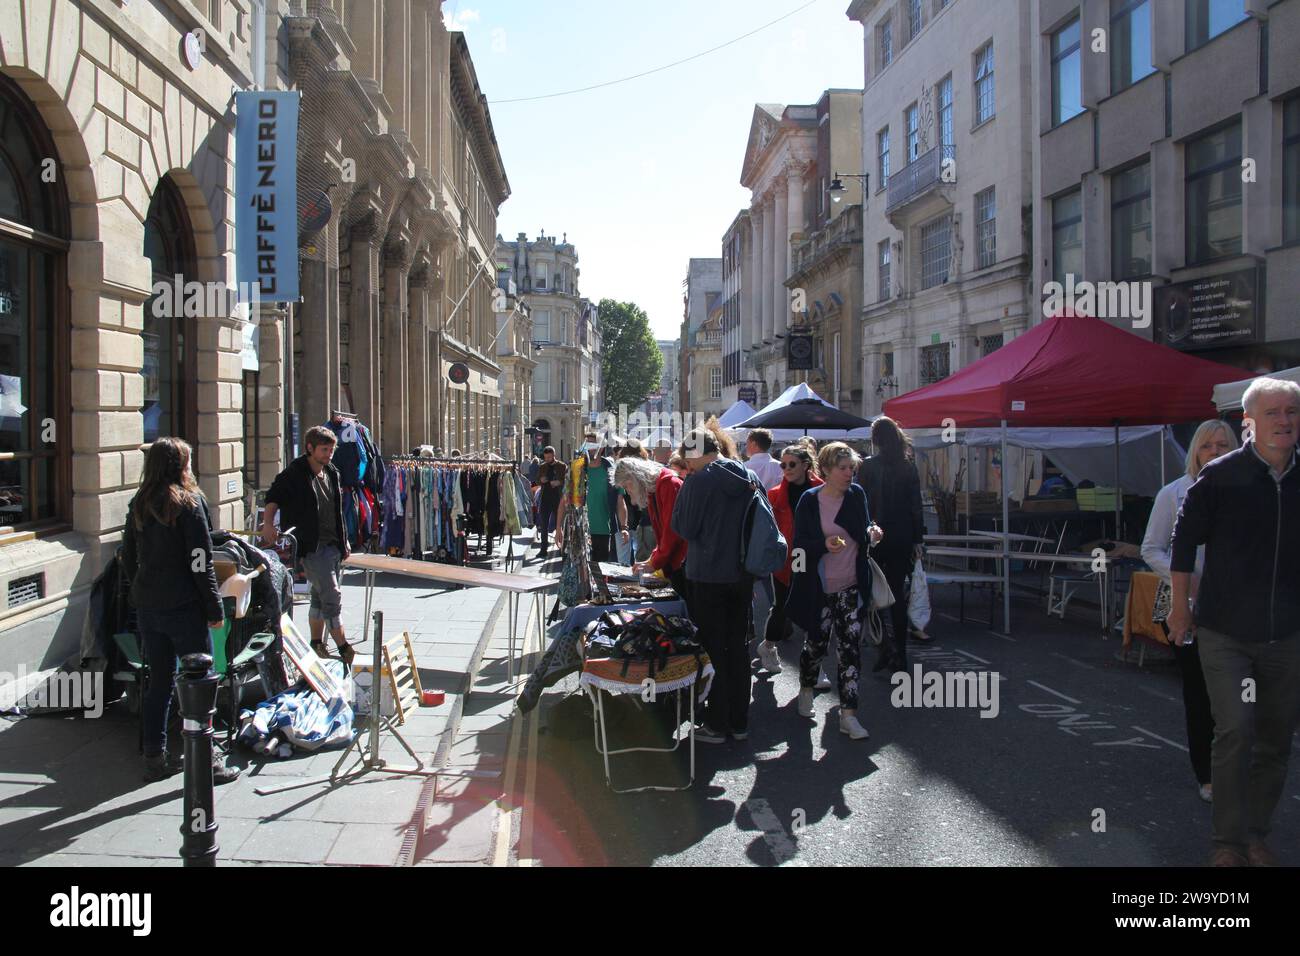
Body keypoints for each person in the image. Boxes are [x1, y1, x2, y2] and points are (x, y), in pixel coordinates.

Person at [1168, 378, 1300, 867]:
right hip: (1224, 631)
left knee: (1275, 737)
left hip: (1286, 634)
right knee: (1236, 729)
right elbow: (1182, 541)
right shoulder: (1221, 475)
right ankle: (1226, 843)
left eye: (1291, 411)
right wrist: (1180, 606)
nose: (1284, 421)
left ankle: (1256, 835)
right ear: (1249, 422)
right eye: (1273, 413)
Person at [121, 437, 241, 784]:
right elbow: (200, 561)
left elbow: (127, 556)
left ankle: (154, 756)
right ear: (179, 465)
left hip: (149, 606)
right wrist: (214, 605)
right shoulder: (190, 503)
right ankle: (208, 760)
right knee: (200, 682)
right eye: (188, 461)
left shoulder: (139, 504)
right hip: (184, 607)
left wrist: (140, 587)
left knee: (157, 681)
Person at [1141, 419, 1237, 804]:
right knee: (1200, 694)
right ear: (1194, 451)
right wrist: (1186, 581)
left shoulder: (1249, 493)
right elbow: (1151, 548)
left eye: (1223, 446)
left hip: (1237, 608)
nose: (1215, 453)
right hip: (1186, 605)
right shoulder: (1174, 493)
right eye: (1207, 446)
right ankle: (1208, 774)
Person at [784, 442, 883, 740]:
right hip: (819, 585)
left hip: (851, 585)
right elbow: (798, 546)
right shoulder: (809, 501)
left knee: (850, 649)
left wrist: (872, 534)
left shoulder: (856, 495)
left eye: (851, 468)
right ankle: (806, 687)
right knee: (816, 643)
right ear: (826, 470)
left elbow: (863, 530)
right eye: (842, 468)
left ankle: (848, 714)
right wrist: (821, 546)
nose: (849, 473)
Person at [670, 422, 756, 743]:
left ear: (694, 455)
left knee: (713, 648)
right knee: (738, 647)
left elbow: (685, 528)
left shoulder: (698, 482)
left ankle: (717, 723)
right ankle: (740, 720)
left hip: (707, 575)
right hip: (742, 574)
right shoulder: (748, 475)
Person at [262, 426, 353, 664]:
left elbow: (336, 511)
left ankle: (316, 644)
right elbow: (273, 498)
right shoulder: (295, 473)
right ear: (310, 448)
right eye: (324, 450)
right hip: (312, 546)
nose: (328, 455)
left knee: (318, 596)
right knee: (332, 596)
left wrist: (344, 541)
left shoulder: (332, 471)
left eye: (331, 450)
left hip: (333, 545)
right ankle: (344, 648)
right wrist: (268, 524)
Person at [856, 416, 924, 675]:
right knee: (896, 595)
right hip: (901, 537)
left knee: (873, 594)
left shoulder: (867, 466)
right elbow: (916, 508)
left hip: (874, 536)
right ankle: (901, 654)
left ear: (875, 440)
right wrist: (918, 540)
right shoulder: (909, 467)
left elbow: (860, 503)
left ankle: (884, 647)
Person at [754, 444, 823, 674]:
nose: (786, 469)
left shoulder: (821, 490)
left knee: (812, 607)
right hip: (787, 557)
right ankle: (769, 645)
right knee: (782, 607)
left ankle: (814, 663)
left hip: (814, 555)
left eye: (792, 464)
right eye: (783, 464)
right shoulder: (774, 494)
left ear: (805, 465)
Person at [616, 456, 688, 595]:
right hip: (676, 565)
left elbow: (671, 534)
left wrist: (653, 565)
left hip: (682, 566)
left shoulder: (668, 485)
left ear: (634, 479)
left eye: (626, 487)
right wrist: (650, 562)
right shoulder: (653, 490)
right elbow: (662, 539)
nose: (627, 492)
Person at [556, 433, 628, 562]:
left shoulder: (611, 470)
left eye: (592, 445)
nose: (588, 448)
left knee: (600, 573)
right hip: (578, 532)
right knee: (579, 575)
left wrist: (624, 528)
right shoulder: (575, 469)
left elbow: (620, 502)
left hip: (604, 531)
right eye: (586, 444)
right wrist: (558, 528)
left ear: (601, 448)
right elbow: (564, 499)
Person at [534, 446, 566, 559]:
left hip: (558, 499)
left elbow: (567, 481)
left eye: (549, 457)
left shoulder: (562, 466)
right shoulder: (542, 466)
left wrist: (559, 482)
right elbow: (537, 480)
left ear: (554, 455)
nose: (547, 459)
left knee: (560, 526)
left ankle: (562, 549)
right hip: (545, 499)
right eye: (545, 457)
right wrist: (540, 480)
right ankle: (543, 550)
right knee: (544, 526)